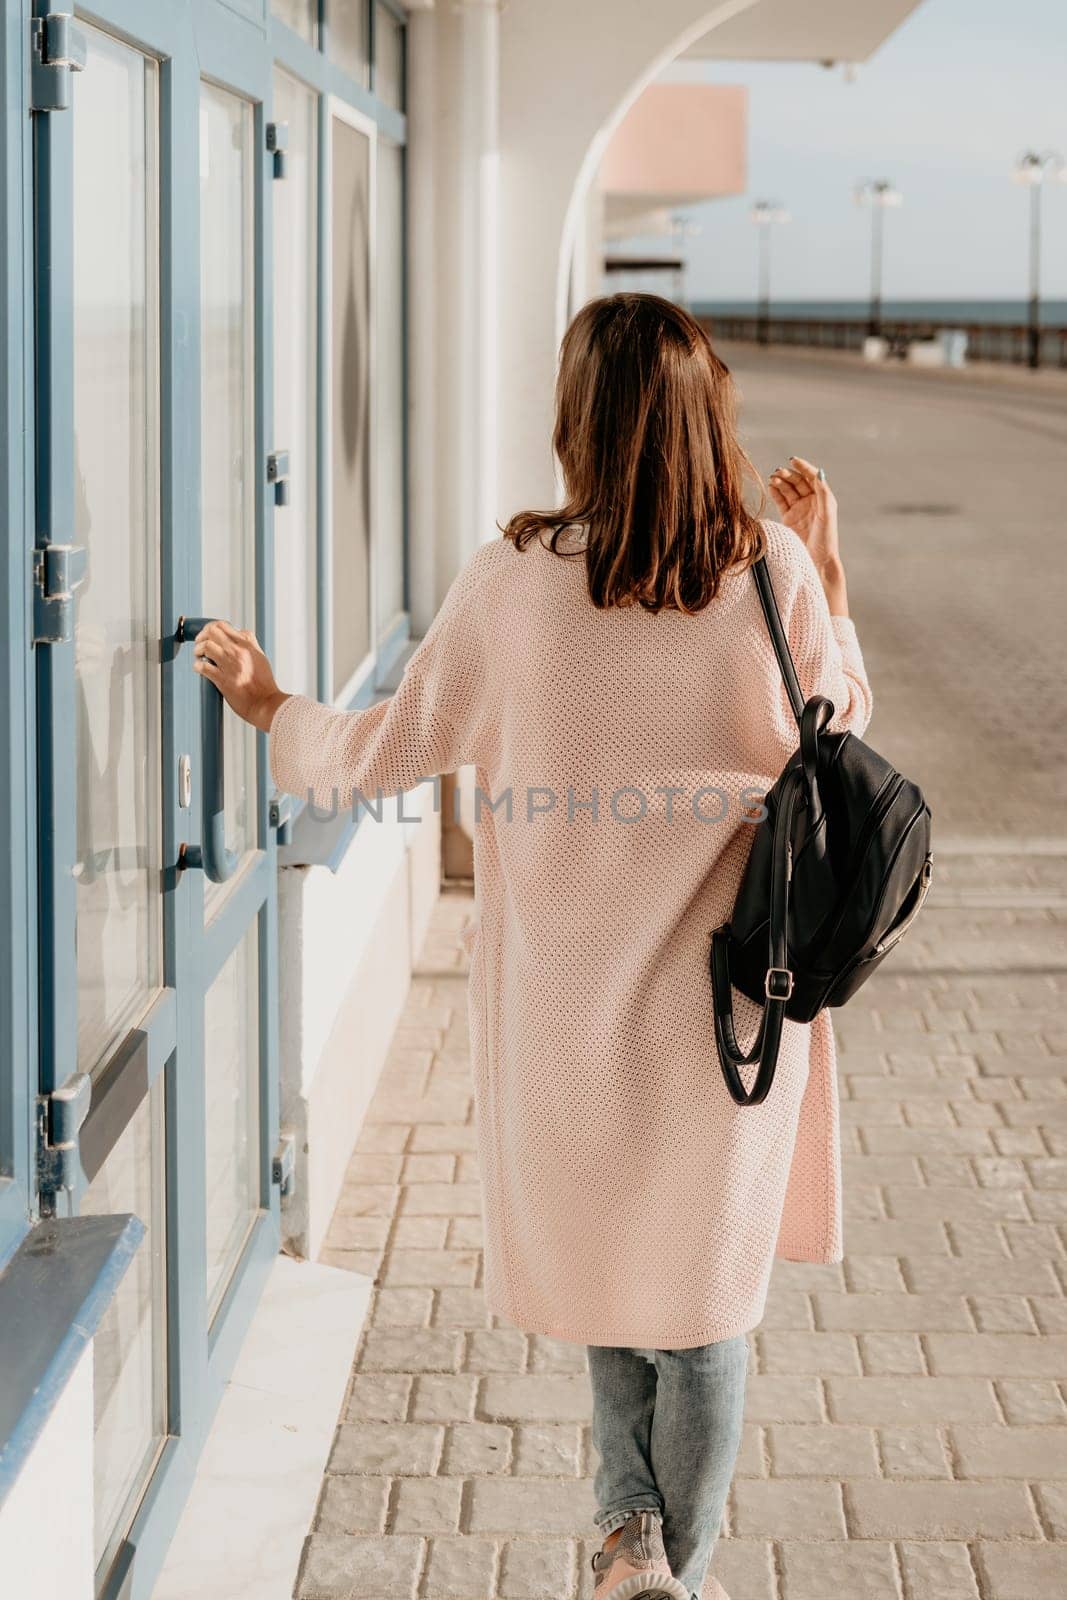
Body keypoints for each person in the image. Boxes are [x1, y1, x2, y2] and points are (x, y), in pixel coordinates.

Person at [194, 293, 871, 1600]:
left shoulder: (512, 582)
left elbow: (390, 752)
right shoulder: (769, 572)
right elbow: (837, 724)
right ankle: (667, 1561)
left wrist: (272, 705)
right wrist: (827, 570)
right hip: (733, 1019)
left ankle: (632, 1546)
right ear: (704, 415)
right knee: (703, 1304)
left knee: (610, 1266)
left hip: (567, 1018)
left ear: (578, 421)